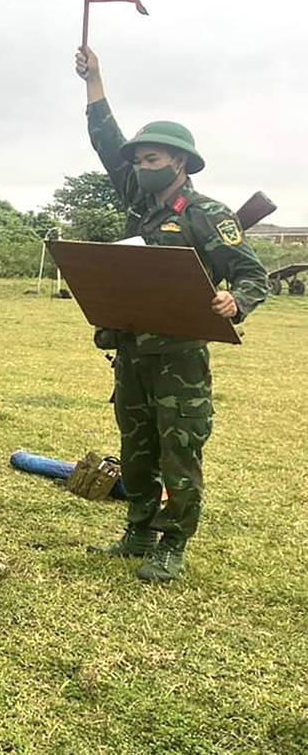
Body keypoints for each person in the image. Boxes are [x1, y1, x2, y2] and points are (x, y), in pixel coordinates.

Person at [76, 46, 268, 582]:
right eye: (139, 161)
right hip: (132, 350)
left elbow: (251, 274)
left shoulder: (209, 215)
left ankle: (173, 541)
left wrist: (237, 301)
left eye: (152, 159)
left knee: (178, 449)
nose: (140, 167)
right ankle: (137, 528)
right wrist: (96, 83)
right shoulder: (140, 200)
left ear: (178, 163)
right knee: (135, 446)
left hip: (181, 357)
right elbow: (108, 145)